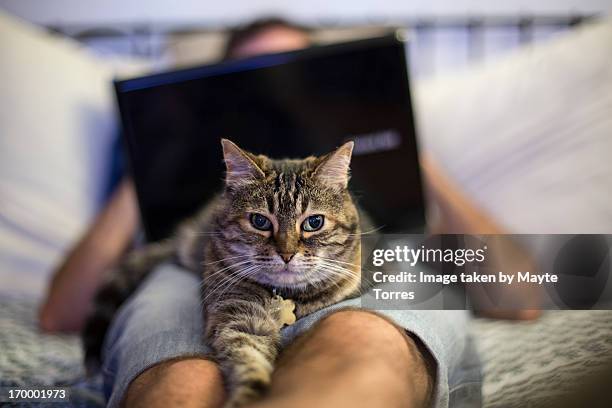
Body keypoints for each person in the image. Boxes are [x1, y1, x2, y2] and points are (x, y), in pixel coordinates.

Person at [40, 18, 539, 408]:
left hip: (376, 258)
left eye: (293, 75)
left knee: (365, 339)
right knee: (181, 377)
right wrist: (151, 159)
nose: (275, 99)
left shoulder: (372, 155)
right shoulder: (196, 168)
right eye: (254, 85)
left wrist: (409, 147)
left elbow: (522, 300)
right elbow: (62, 313)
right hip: (202, 268)